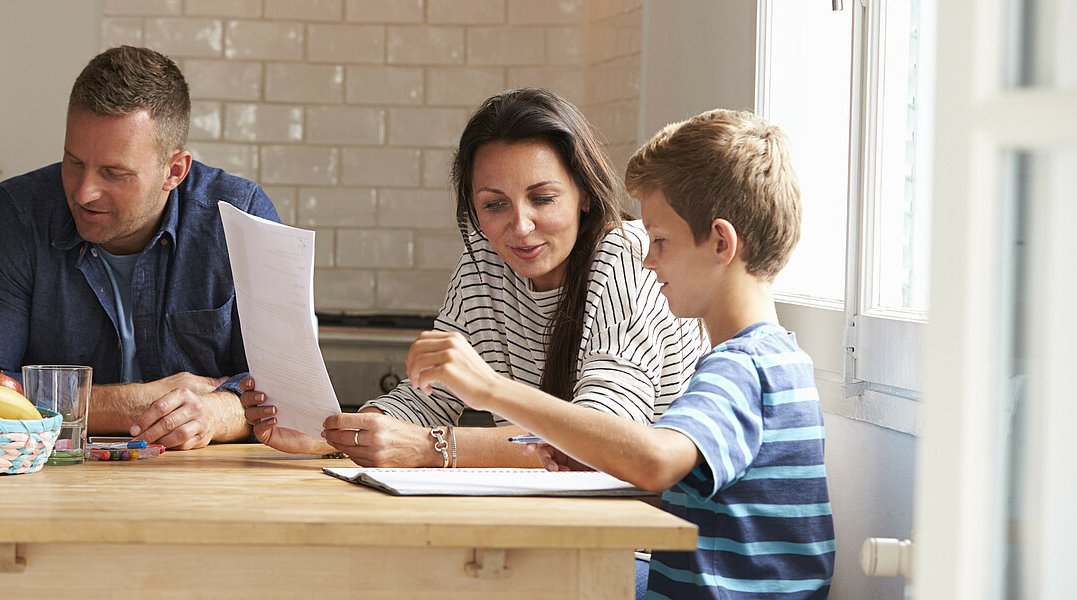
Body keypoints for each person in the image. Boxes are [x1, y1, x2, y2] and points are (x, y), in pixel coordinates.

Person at [405, 109, 835, 599]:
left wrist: (489, 389)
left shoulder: (745, 368)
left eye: (659, 240)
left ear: (721, 242)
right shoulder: (777, 359)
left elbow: (654, 460)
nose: (647, 258)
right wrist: (585, 453)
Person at [242, 88, 706, 467]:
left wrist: (429, 448)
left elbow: (598, 440)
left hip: (648, 538)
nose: (519, 227)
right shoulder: (484, 263)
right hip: (557, 519)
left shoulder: (626, 256)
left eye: (542, 198)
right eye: (494, 204)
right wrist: (336, 434)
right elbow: (426, 401)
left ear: (584, 193)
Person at [0, 45, 279, 449]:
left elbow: (285, 392)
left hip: (206, 489)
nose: (84, 192)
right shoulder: (14, 217)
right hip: (49, 485)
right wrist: (134, 404)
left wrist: (221, 413)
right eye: (74, 162)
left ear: (174, 171)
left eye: (114, 173)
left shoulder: (241, 217)